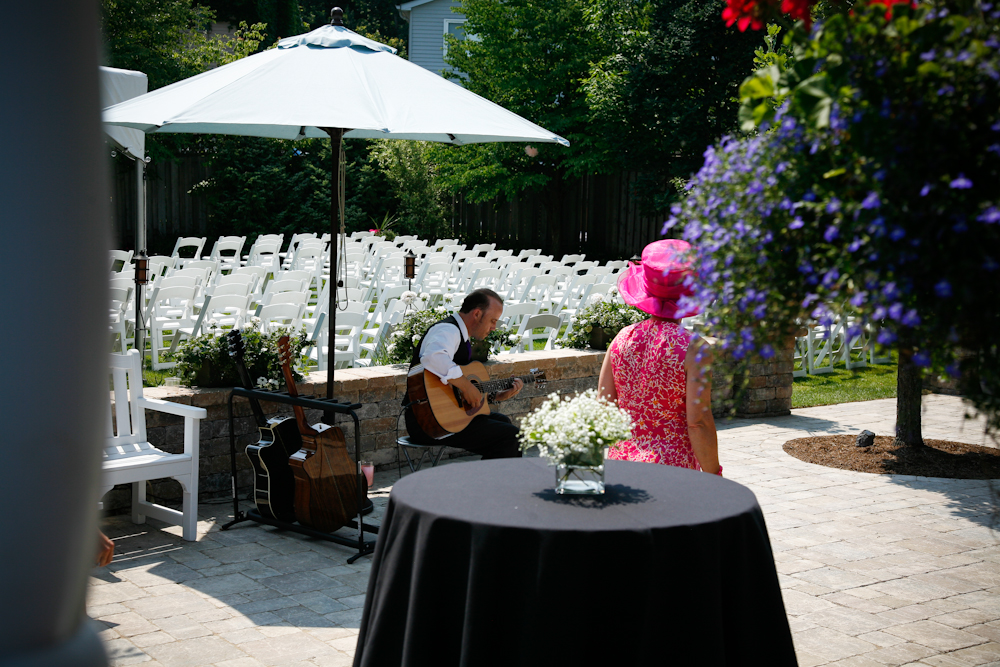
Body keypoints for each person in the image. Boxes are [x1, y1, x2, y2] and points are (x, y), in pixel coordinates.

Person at [598, 239, 721, 475]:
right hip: (672, 469)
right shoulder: (694, 349)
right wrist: (715, 474)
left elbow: (604, 407)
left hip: (621, 462)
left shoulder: (621, 339)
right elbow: (698, 422)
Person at [402, 288, 524, 459]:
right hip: (427, 421)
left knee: (503, 424)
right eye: (492, 320)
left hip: (442, 416)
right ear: (476, 314)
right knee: (510, 435)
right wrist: (467, 386)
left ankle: (486, 482)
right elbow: (433, 357)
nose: (494, 327)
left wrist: (495, 396)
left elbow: (454, 393)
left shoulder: (460, 335)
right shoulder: (448, 330)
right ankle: (492, 484)